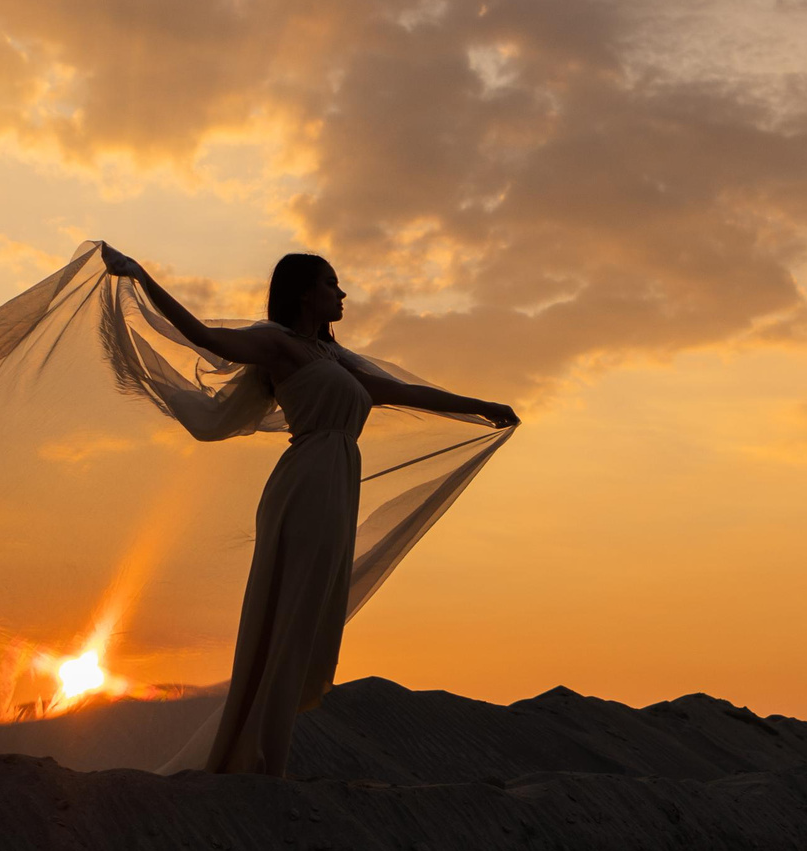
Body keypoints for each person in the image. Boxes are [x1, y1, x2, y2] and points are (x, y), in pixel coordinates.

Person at [97, 246, 517, 775]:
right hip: (308, 481)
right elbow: (203, 337)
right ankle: (261, 761)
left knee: (311, 613)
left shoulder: (334, 359)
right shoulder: (277, 343)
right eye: (331, 284)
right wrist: (141, 275)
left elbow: (405, 392)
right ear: (303, 292)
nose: (342, 294)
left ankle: (265, 752)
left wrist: (481, 406)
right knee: (291, 613)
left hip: (336, 480)